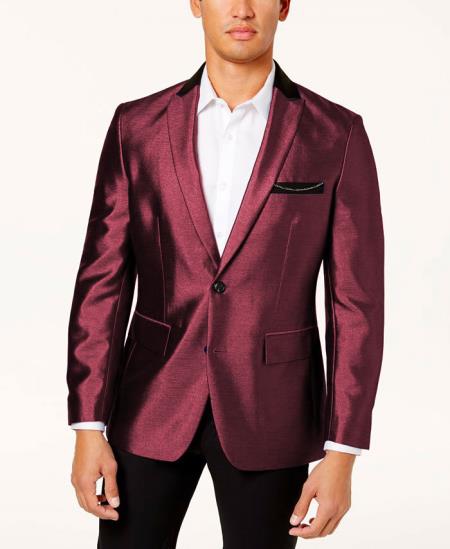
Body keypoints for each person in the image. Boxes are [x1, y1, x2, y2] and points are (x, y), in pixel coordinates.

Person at [67, 1, 384, 547]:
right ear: (195, 3)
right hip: (149, 402)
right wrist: (88, 425)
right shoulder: (136, 127)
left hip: (272, 409)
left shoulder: (335, 133)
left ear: (284, 6)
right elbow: (102, 282)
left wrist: (342, 452)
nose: (241, 9)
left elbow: (356, 304)